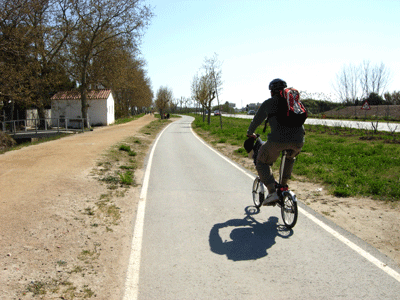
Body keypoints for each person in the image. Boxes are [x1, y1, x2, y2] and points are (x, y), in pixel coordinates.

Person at [247, 78, 305, 205]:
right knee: (290, 157)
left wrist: (250, 133)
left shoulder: (268, 103)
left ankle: (272, 192)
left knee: (261, 161)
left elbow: (256, 121)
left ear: (272, 91)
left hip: (277, 141)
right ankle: (283, 188)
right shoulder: (293, 103)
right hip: (299, 141)